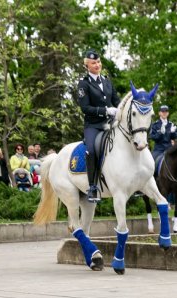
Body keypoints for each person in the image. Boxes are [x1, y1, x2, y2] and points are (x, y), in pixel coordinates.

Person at [77, 49, 121, 203]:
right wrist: (105, 110)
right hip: (93, 125)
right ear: (87, 66)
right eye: (93, 63)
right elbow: (85, 108)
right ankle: (92, 187)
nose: (97, 65)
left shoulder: (107, 81)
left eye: (98, 62)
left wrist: (122, 110)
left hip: (111, 123)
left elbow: (117, 101)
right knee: (90, 150)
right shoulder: (84, 84)